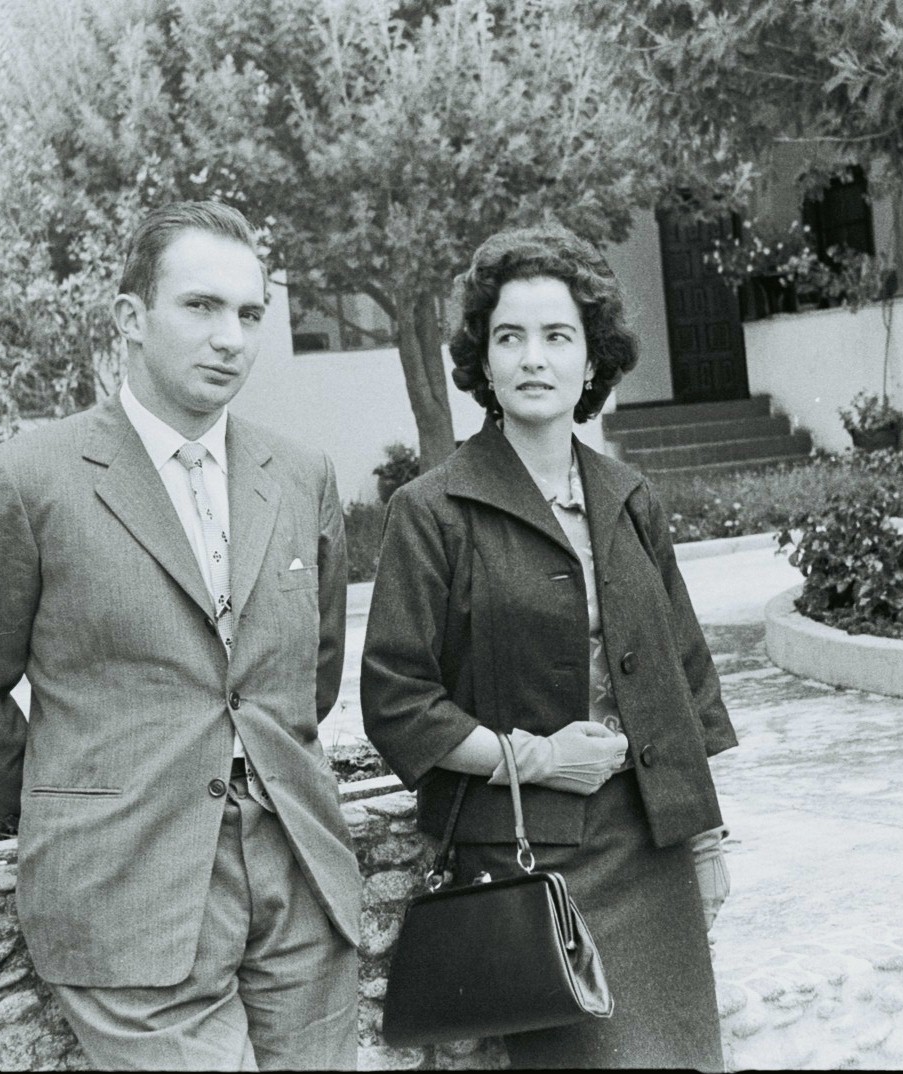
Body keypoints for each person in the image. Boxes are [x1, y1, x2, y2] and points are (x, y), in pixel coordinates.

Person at [0, 201, 363, 1071]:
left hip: (300, 885)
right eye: (199, 307)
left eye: (249, 313)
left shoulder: (299, 474)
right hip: (127, 896)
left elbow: (310, 674)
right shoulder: (25, 480)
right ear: (130, 318)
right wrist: (83, 803)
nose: (229, 336)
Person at [361, 224, 736, 1070]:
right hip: (531, 864)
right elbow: (395, 698)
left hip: (654, 849)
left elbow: (682, 673)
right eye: (509, 337)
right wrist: (529, 758)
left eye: (556, 336)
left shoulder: (628, 495)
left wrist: (705, 841)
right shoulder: (432, 511)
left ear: (591, 359)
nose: (533, 357)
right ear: (483, 364)